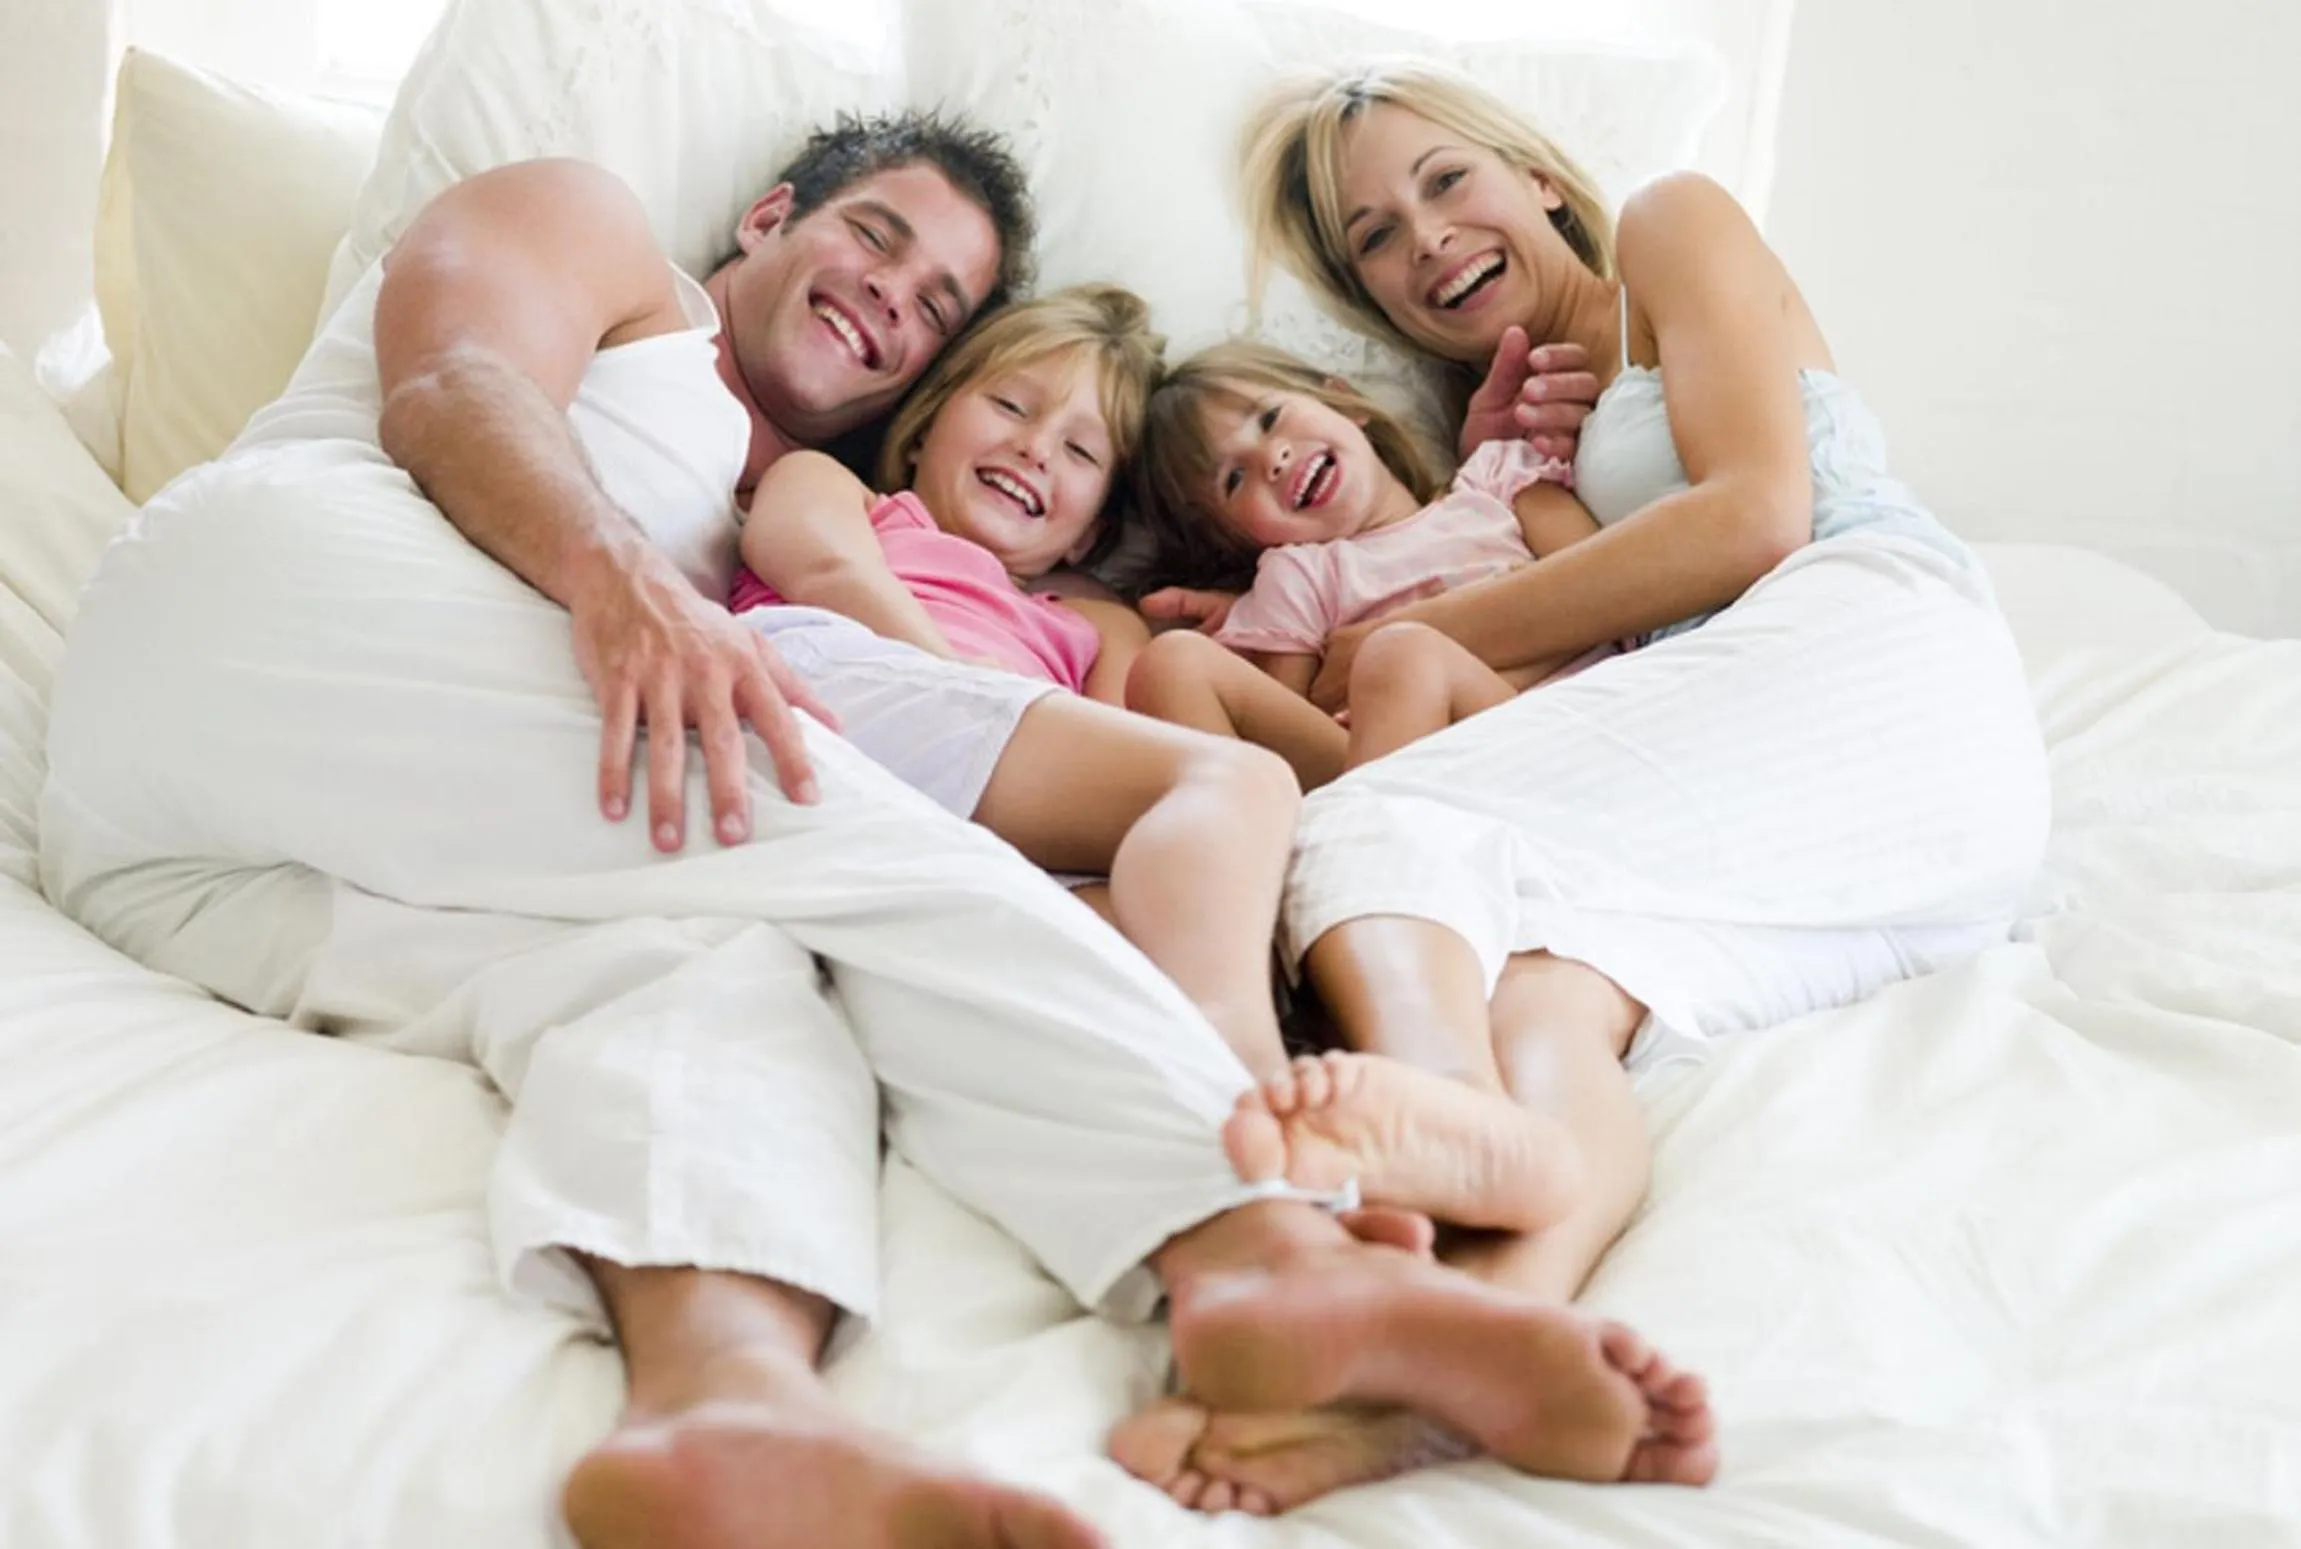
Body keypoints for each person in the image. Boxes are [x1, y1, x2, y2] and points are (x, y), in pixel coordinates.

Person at [36, 109, 1717, 1548]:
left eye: (937, 305)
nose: (890, 298)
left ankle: (723, 1403)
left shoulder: (786, 516)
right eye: (871, 235)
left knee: (702, 965)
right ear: (767, 217)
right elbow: (455, 379)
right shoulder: (610, 246)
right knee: (805, 812)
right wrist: (623, 585)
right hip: (270, 600)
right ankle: (1258, 1249)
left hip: (195, 876)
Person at [1109, 61, 2051, 1513]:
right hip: (1846, 803)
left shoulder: (1669, 231)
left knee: (1368, 816)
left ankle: (1440, 1118)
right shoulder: (1498, 428)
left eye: (1442, 181)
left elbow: (1753, 515)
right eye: (1372, 238)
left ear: (1535, 174)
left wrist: (1390, 644)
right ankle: (1478, 1338)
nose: (1422, 240)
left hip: (1868, 642)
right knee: (1544, 992)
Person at [733, 285, 1301, 1079]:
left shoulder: (1095, 627)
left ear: (1094, 529)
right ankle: (1252, 1070)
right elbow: (816, 559)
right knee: (1242, 783)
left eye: (1081, 452)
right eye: (1010, 404)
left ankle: (1237, 1131)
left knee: (1174, 909)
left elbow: (1122, 793)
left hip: (974, 822)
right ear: (927, 421)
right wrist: (948, 664)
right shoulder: (848, 494)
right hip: (831, 689)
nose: (1036, 447)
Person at [1124, 339, 1614, 790]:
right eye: (1233, 479)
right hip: (1395, 771)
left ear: (1344, 402)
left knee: (1402, 656)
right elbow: (1295, 729)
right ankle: (1259, 842)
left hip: (1555, 732)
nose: (1272, 458)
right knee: (1171, 663)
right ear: (1233, 538)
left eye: (1271, 418)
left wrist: (1411, 680)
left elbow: (1616, 599)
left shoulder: (1496, 481)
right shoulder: (1298, 577)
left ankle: (1365, 844)